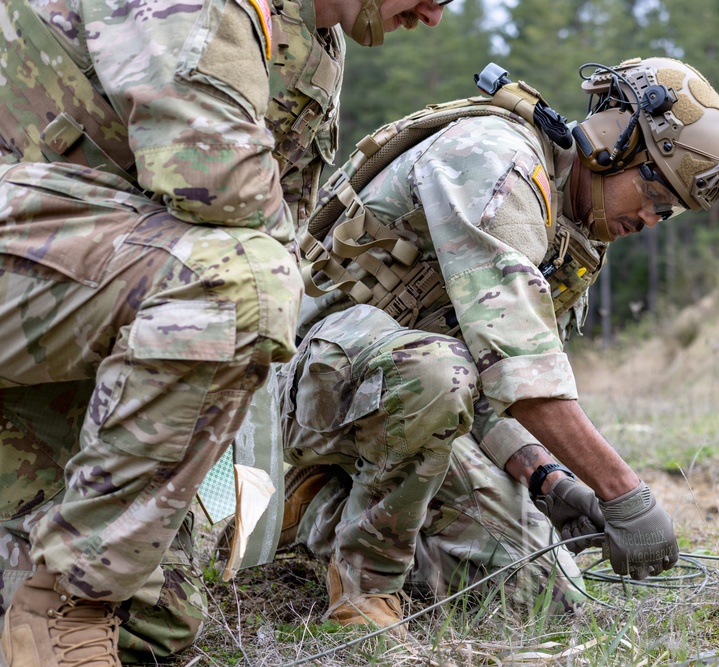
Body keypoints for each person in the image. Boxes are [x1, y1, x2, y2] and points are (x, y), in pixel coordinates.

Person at [0, 0, 447, 664]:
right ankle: (63, 609)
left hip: (64, 307)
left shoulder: (313, 34)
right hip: (36, 280)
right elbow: (214, 181)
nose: (435, 16)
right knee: (242, 285)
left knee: (159, 620)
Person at [278, 55, 719, 633]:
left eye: (667, 211)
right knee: (434, 372)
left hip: (408, 404)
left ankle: (326, 504)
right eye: (652, 189)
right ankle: (361, 585)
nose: (650, 216)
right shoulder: (494, 162)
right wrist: (624, 494)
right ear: (611, 142)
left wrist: (550, 480)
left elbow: (492, 388)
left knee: (537, 589)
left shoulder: (572, 236)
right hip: (303, 385)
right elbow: (519, 373)